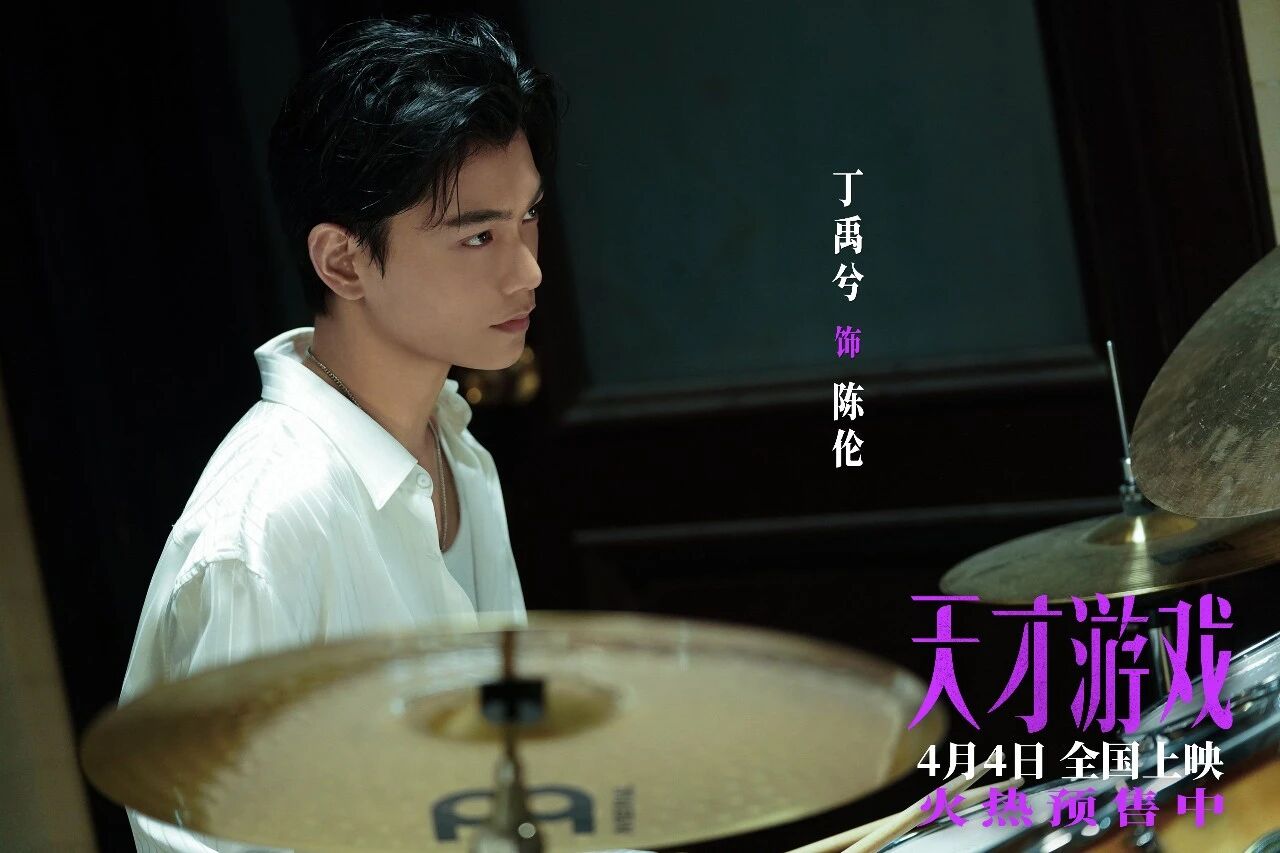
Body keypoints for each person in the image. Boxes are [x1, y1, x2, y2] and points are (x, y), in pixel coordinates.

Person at [117, 12, 560, 851]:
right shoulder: (266, 530)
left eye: (527, 217)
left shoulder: (460, 455)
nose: (527, 269)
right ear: (343, 261)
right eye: (479, 235)